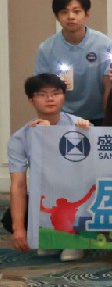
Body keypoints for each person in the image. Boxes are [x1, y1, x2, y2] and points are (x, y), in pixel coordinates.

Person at [8, 73, 90, 256]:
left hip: (74, 195)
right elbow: (18, 184)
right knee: (10, 219)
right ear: (31, 100)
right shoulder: (20, 137)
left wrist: (89, 134)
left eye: (56, 93)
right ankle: (49, 234)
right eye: (42, 94)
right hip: (45, 195)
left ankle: (77, 239)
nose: (50, 98)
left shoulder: (80, 126)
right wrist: (18, 228)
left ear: (64, 96)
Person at [36, 0, 112, 124]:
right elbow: (41, 88)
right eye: (64, 12)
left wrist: (109, 121)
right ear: (56, 16)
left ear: (87, 15)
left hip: (99, 116)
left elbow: (110, 85)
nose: (71, 16)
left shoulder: (104, 44)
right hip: (61, 118)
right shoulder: (46, 48)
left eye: (76, 11)